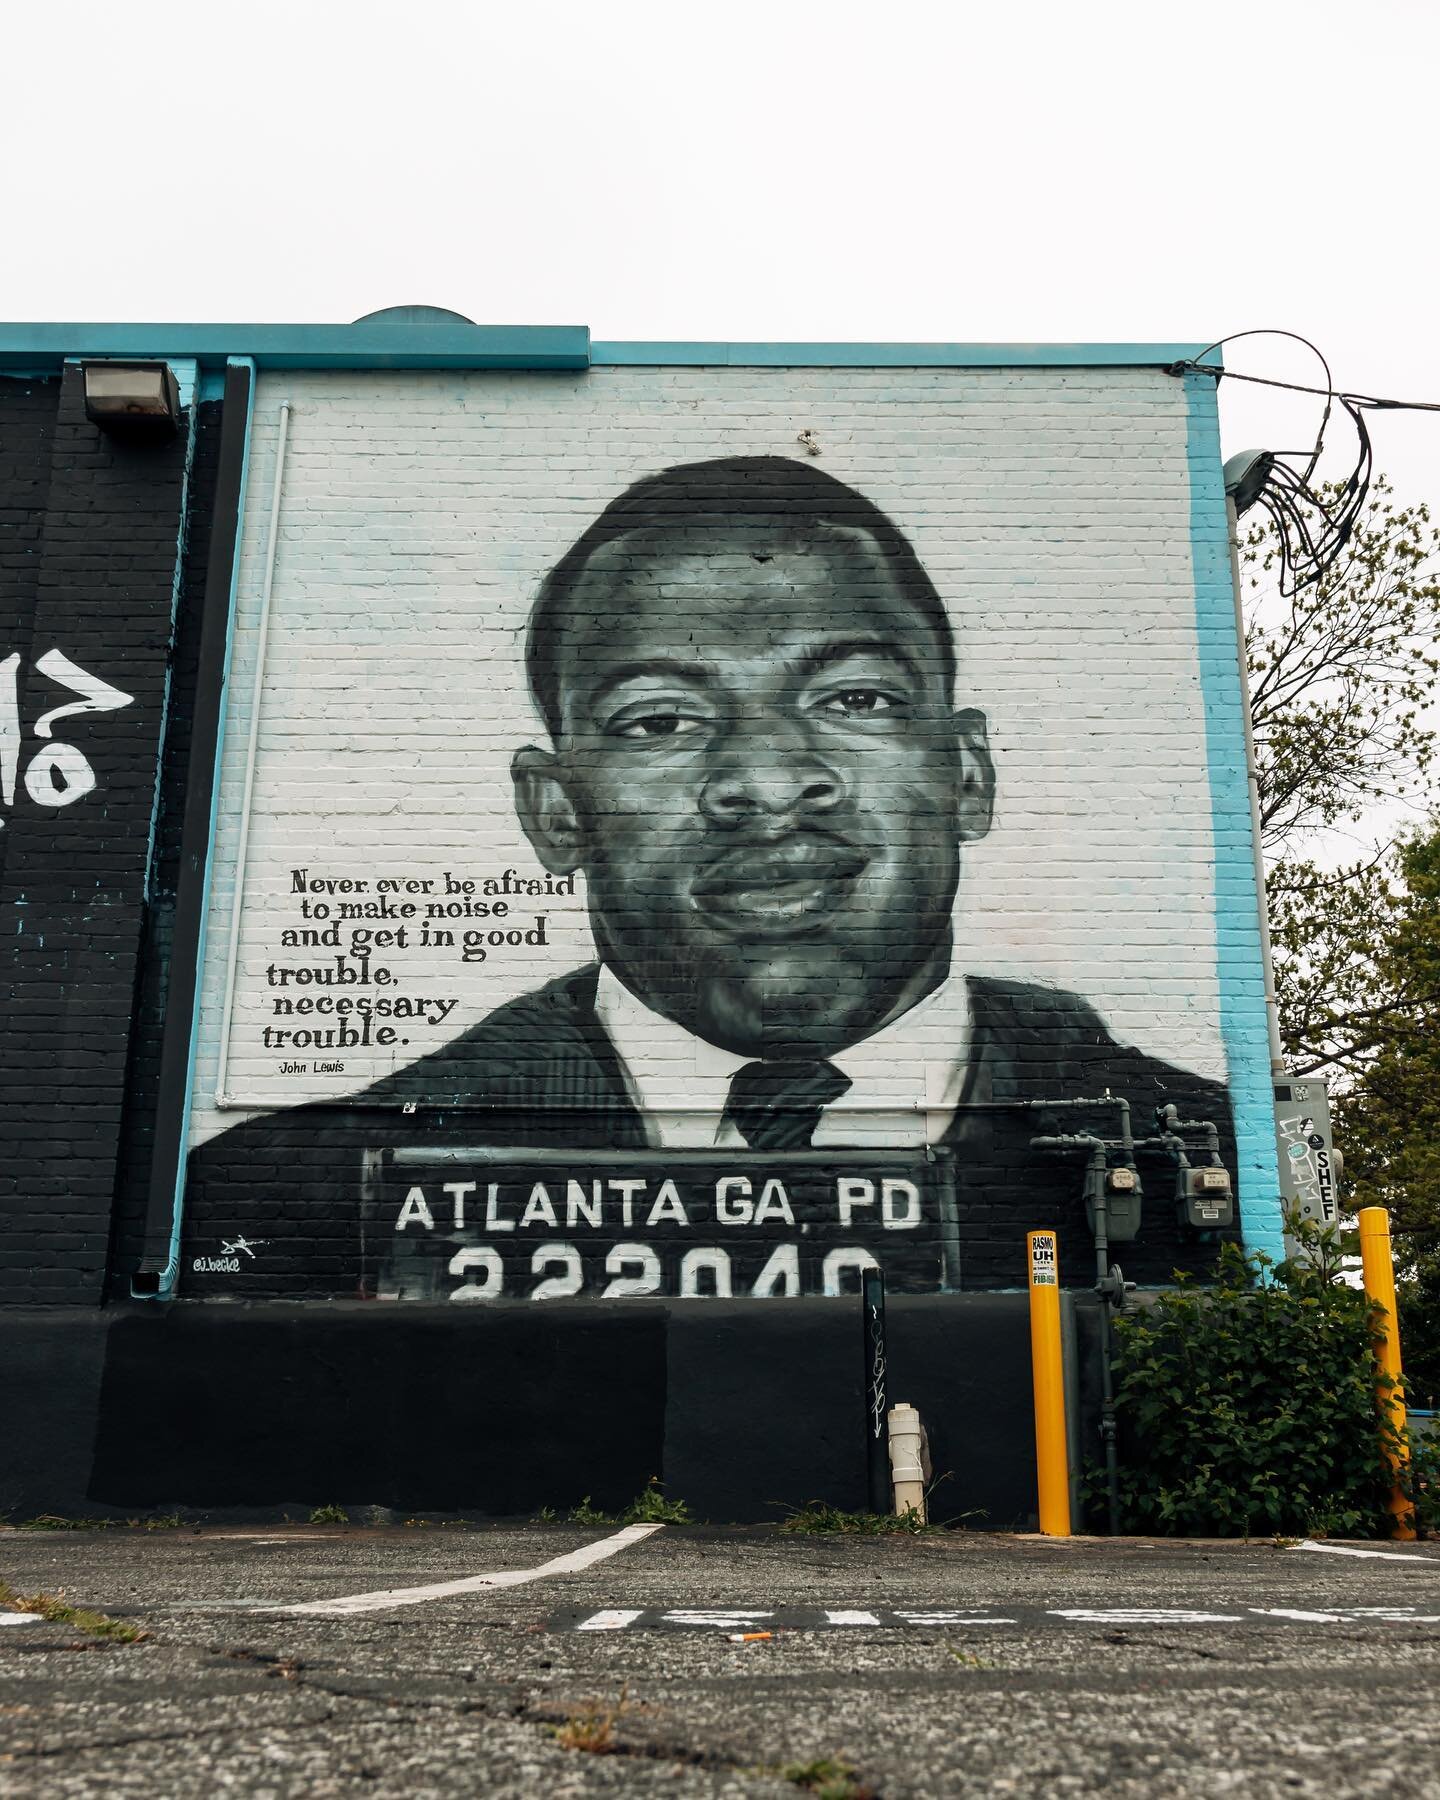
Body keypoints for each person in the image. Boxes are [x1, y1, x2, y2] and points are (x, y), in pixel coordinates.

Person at [184, 457, 1236, 1295]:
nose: (769, 783)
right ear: (556, 811)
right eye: (663, 721)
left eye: (853, 699)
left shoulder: (1188, 1143)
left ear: (966, 774)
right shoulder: (279, 1198)